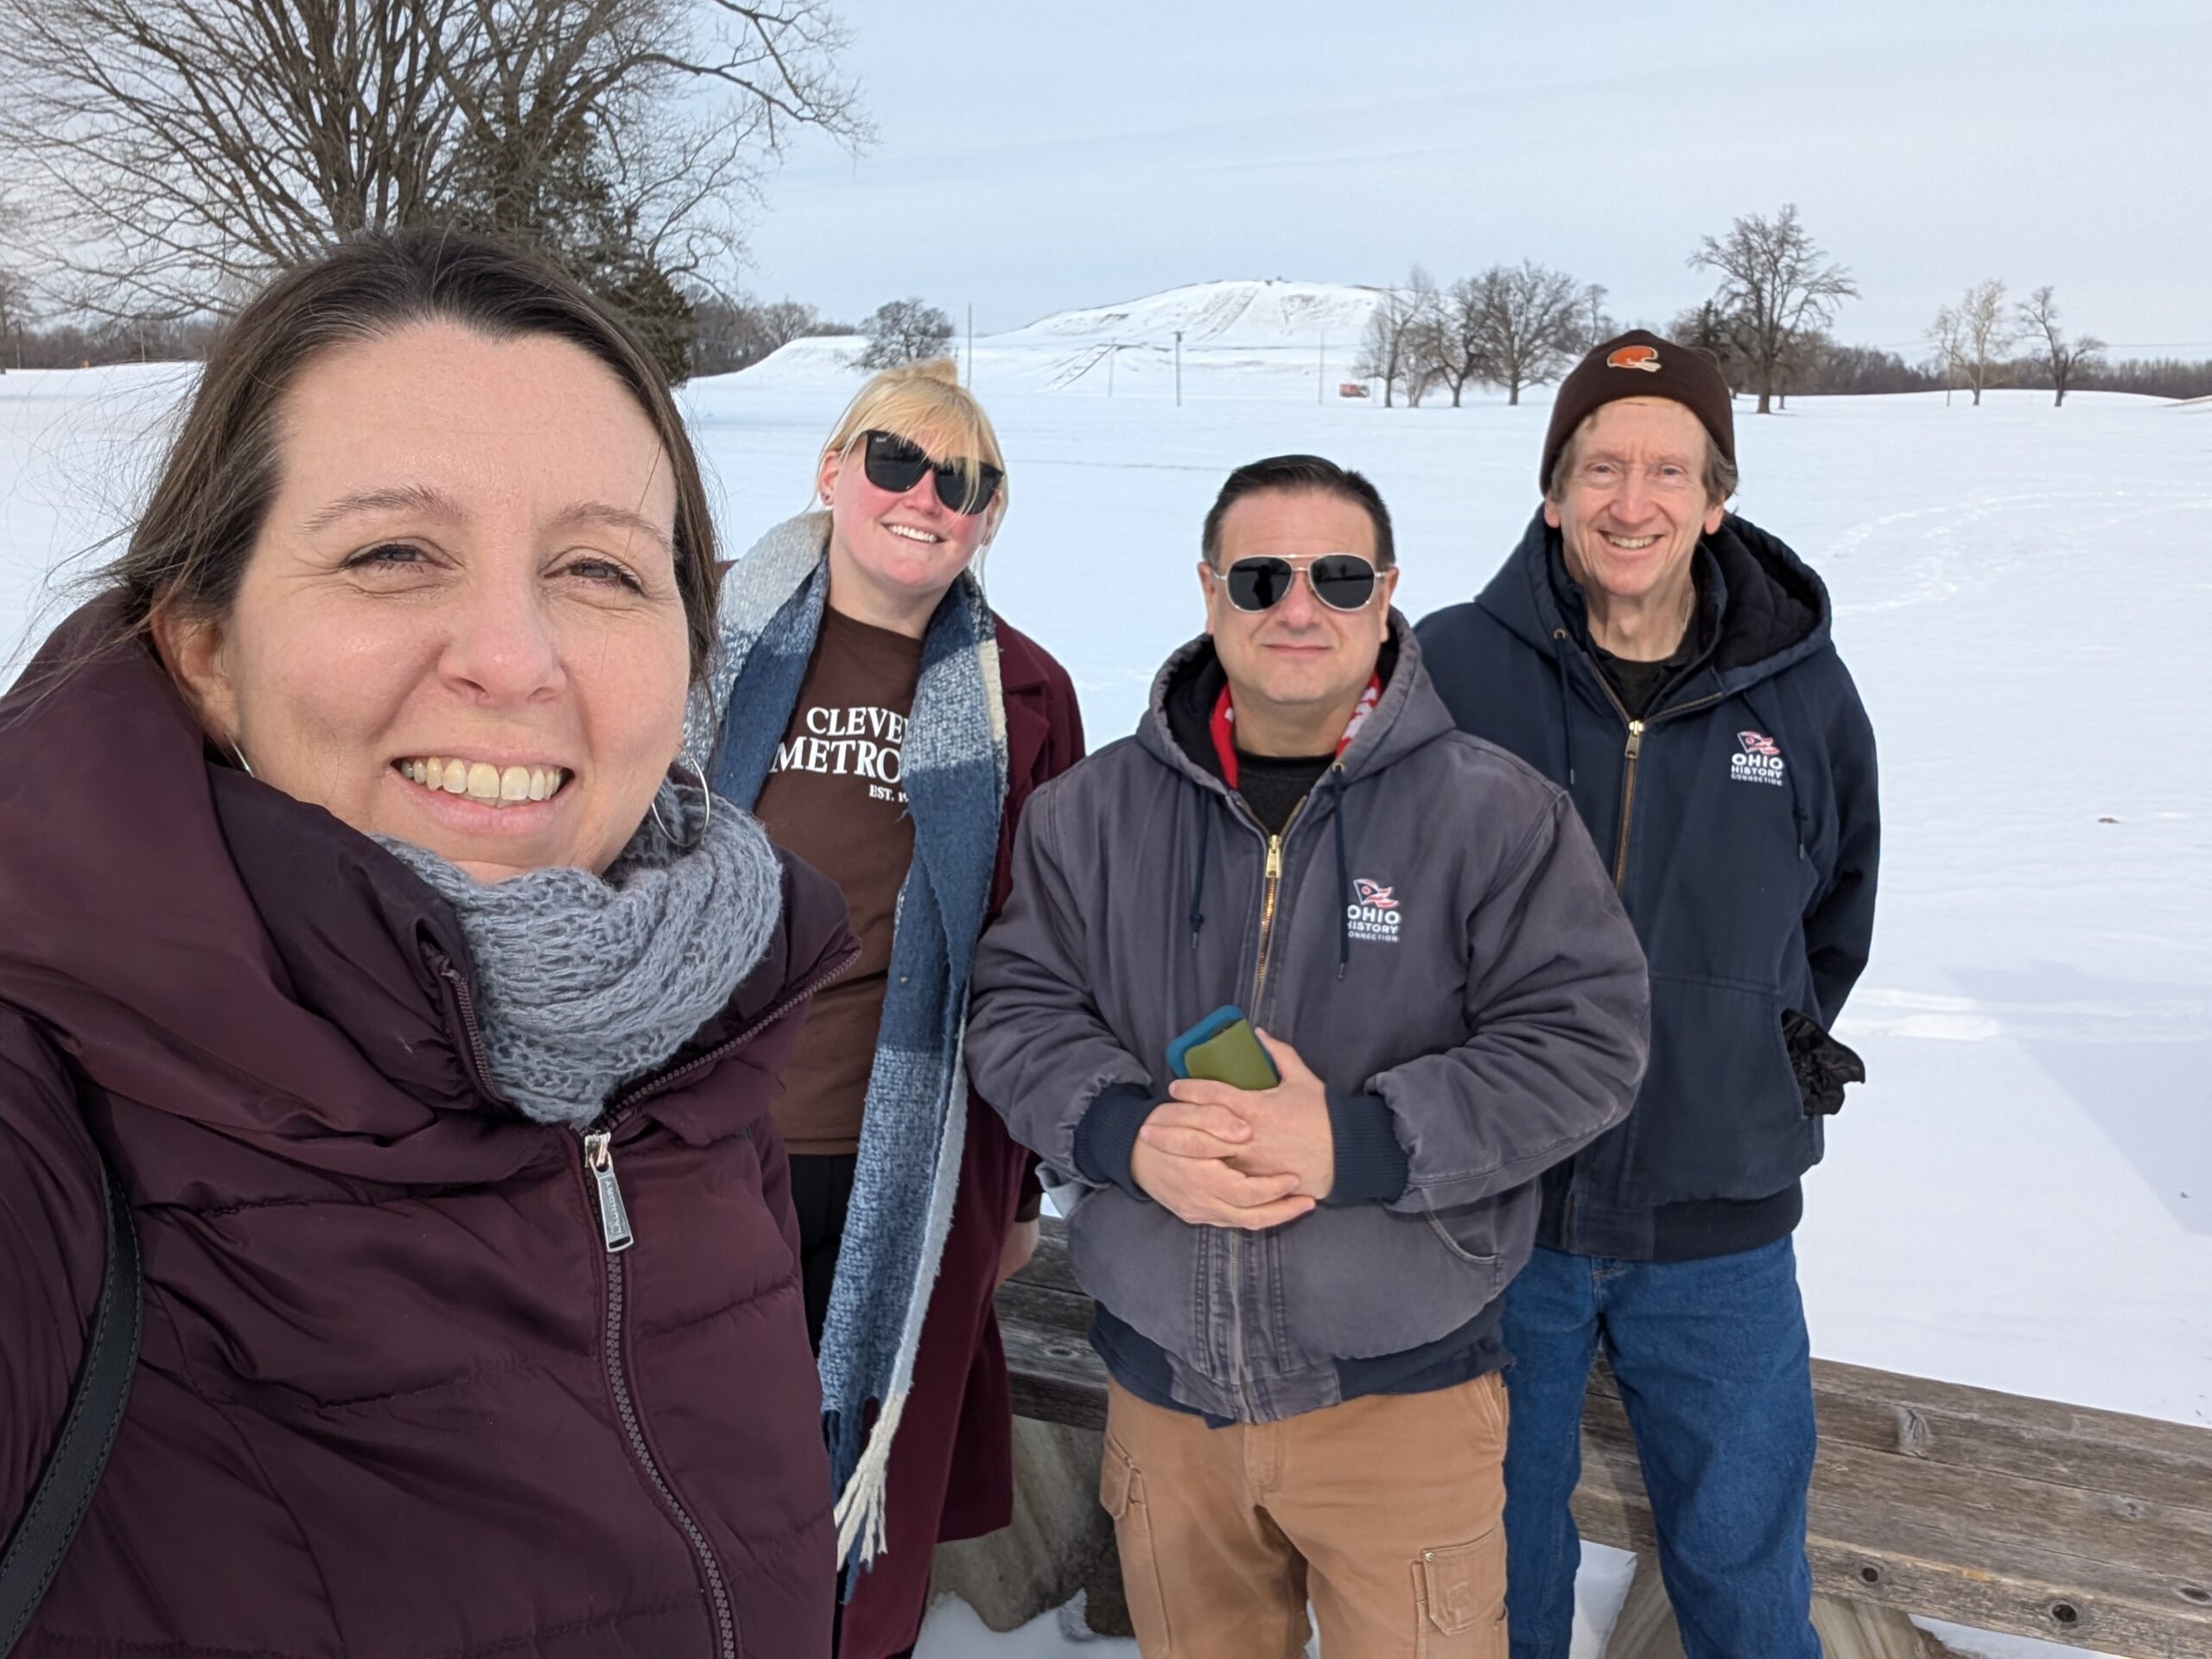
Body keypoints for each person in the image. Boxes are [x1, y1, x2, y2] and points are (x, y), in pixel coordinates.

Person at [0, 232, 856, 1657]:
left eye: (598, 568)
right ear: (205, 645)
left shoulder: (693, 1047)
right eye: (394, 553)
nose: (512, 657)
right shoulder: (45, 1107)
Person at [966, 454, 1651, 1659]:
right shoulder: (1090, 812)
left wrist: (1365, 1141)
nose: (1299, 607)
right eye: (1261, 574)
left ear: (1386, 593)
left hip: (1405, 1402)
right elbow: (1016, 1007)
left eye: (1337, 577)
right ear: (1208, 588)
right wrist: (1124, 1133)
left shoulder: (1497, 814)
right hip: (1165, 1402)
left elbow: (1586, 1041)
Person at [1415, 331, 1880, 1659]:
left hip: (1720, 1224)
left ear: (1716, 496)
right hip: (1500, 1215)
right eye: (1600, 466)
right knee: (1497, 1567)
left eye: (1667, 469)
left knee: (1741, 1570)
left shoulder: (1801, 692)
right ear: (1552, 491)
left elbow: (1835, 913)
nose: (1634, 500)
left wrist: (1754, 1052)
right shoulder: (1452, 667)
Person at [696, 359, 1084, 1659]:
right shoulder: (699, 640)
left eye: (963, 482)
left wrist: (1018, 1193)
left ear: (989, 514)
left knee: (864, 1482)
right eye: (895, 463)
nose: (926, 497)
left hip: (908, 1164)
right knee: (695, 1468)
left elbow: (1036, 957)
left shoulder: (1021, 692)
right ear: (831, 470)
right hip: (697, 1144)